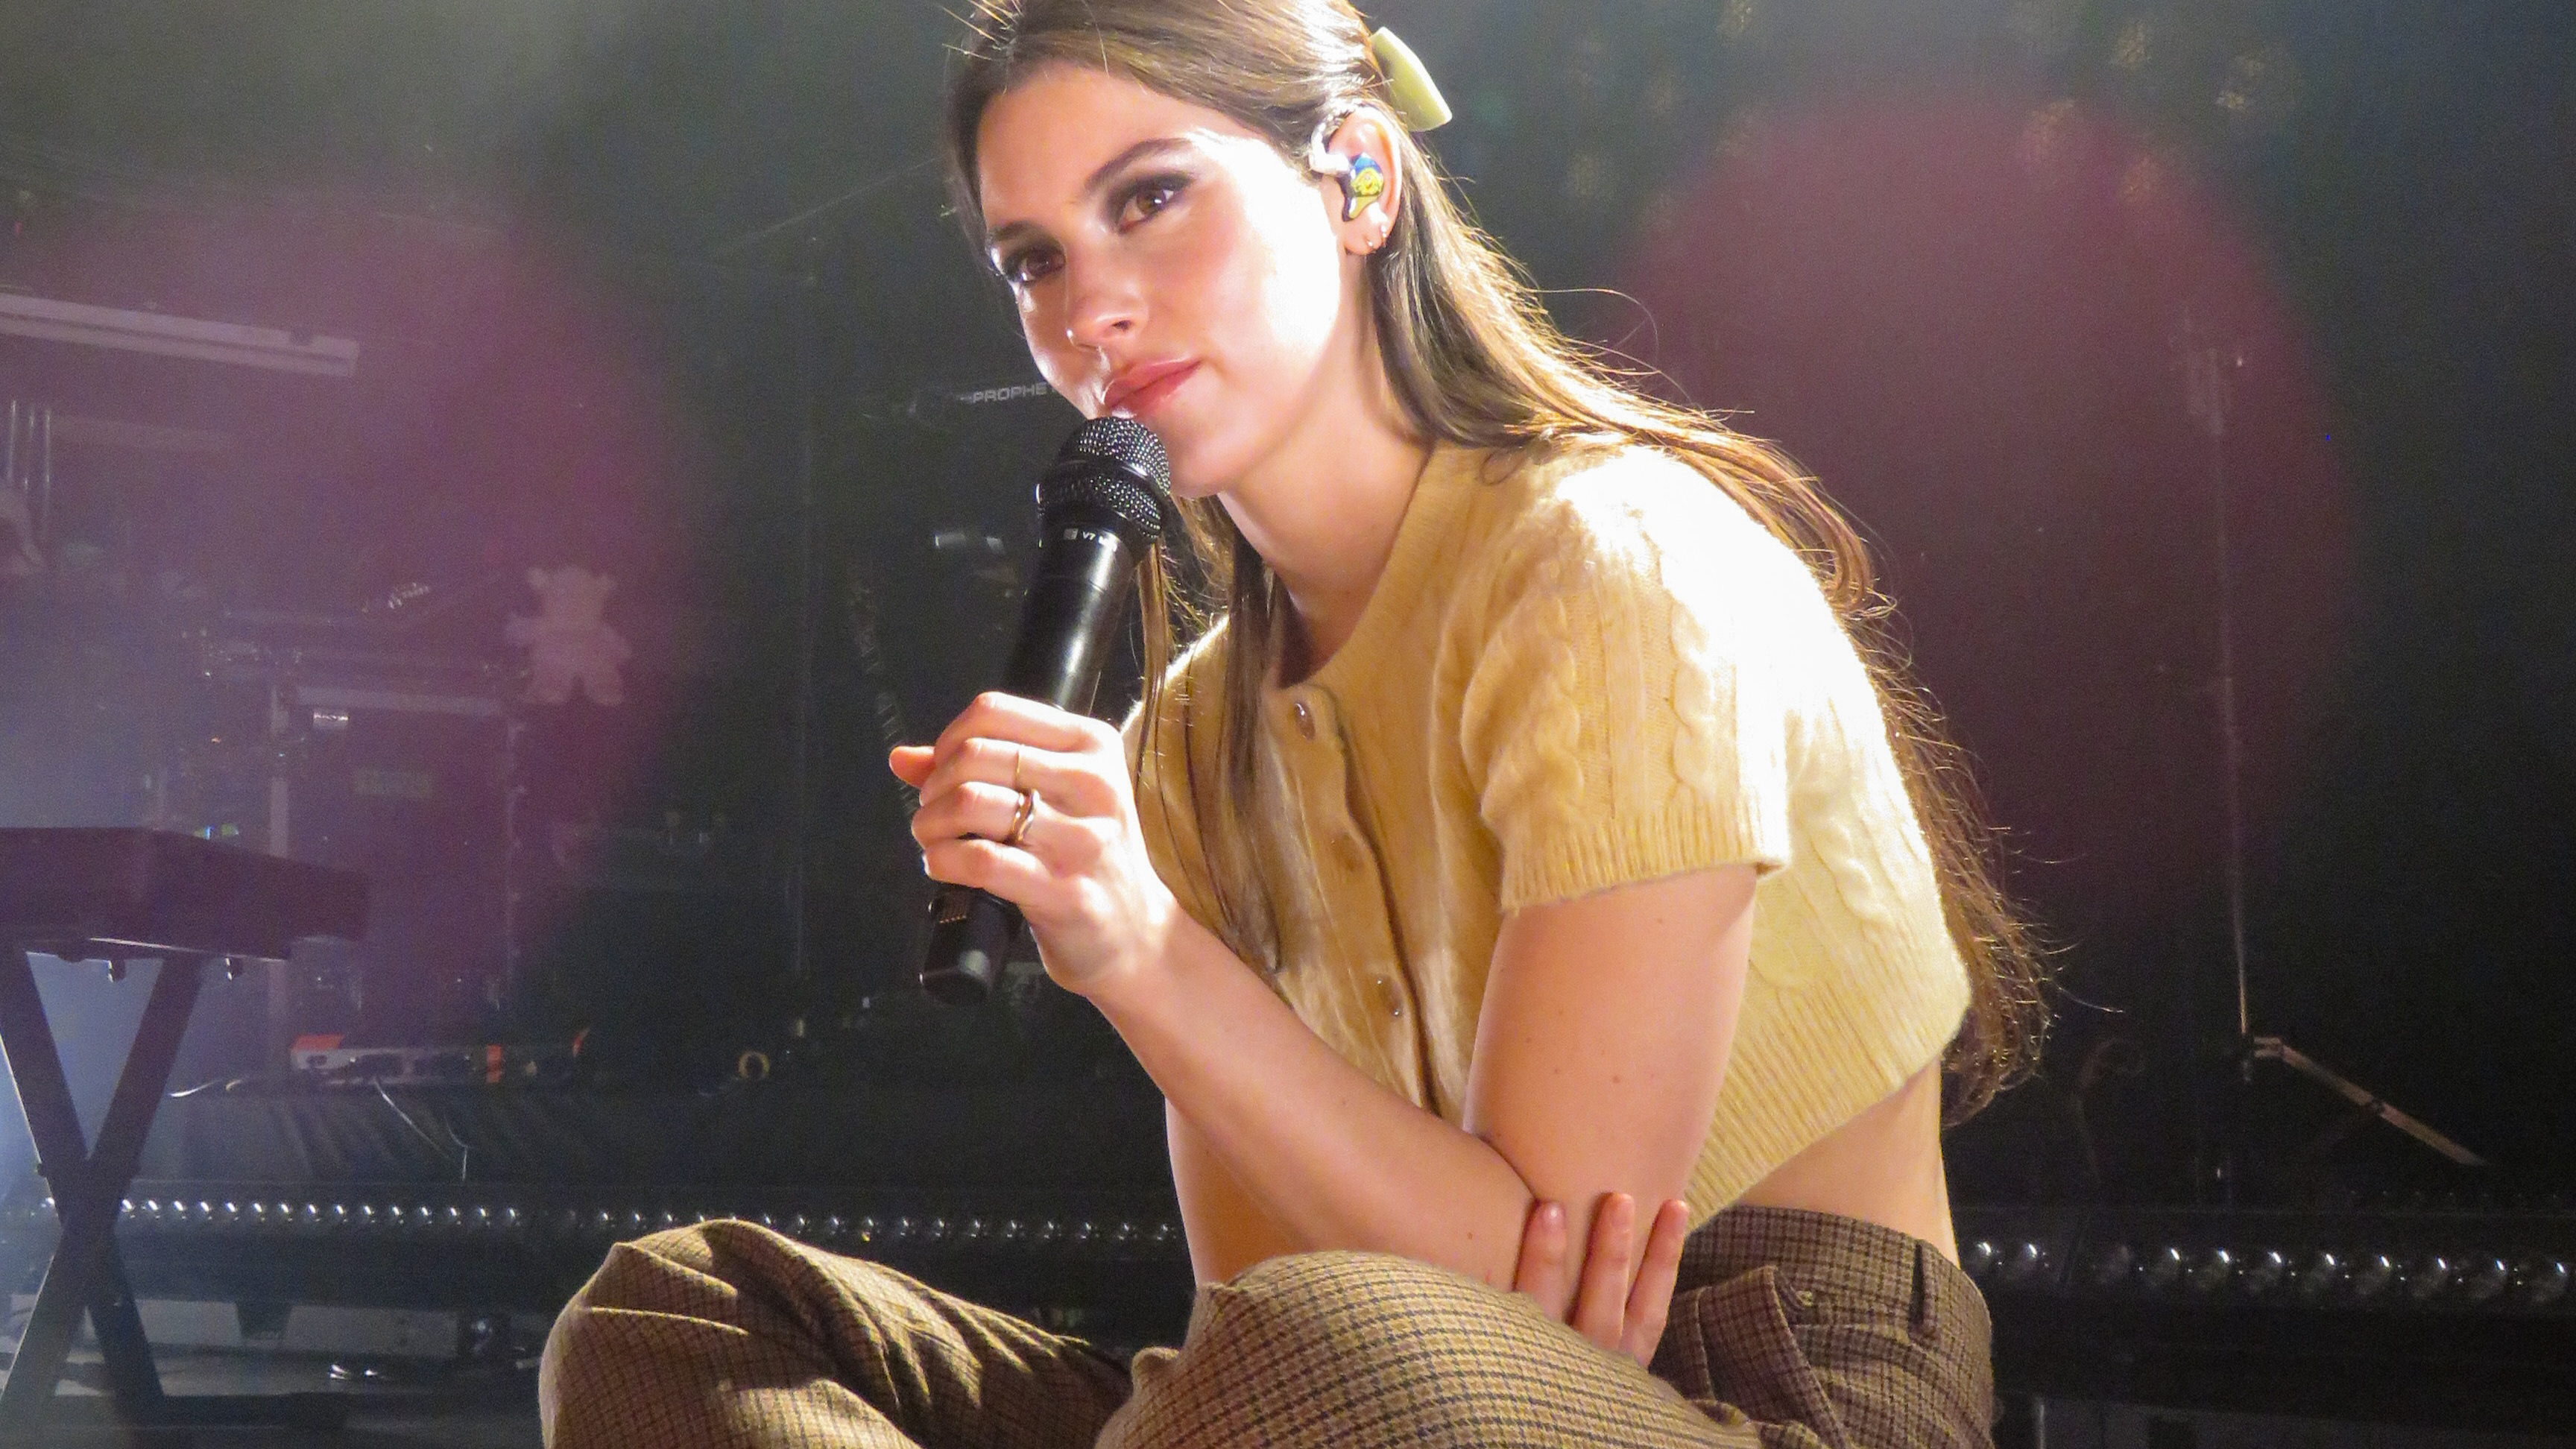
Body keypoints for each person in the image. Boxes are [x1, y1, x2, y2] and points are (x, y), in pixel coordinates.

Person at [539, 3, 2049, 1445]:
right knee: (673, 1317)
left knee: (1315, 1358)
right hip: (1339, 1395)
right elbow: (1249, 1311)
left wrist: (1142, 953)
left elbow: (1539, 1317)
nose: (1091, 310)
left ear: (1360, 181)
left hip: (1770, 1395)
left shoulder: (1610, 568)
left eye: (1151, 198)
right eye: (1034, 261)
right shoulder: (1191, 742)